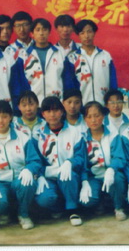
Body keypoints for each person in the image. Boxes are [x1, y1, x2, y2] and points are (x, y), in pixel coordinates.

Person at [0, 101, 41, 230]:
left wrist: (29, 169)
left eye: (4, 116)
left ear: (11, 117)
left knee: (28, 183)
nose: (1, 121)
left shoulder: (22, 138)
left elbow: (35, 160)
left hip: (19, 179)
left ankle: (23, 214)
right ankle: (4, 211)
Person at [34, 96, 85, 226]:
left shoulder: (74, 132)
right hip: (48, 176)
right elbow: (35, 160)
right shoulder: (38, 135)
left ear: (62, 111)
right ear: (43, 114)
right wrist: (40, 175)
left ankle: (73, 210)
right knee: (45, 199)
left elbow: (80, 156)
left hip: (68, 174)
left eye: (56, 110)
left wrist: (70, 162)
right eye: (48, 111)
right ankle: (58, 207)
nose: (52, 115)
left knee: (68, 176)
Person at [78, 102, 127, 221]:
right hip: (94, 177)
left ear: (103, 117)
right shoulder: (83, 138)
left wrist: (111, 169)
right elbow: (83, 163)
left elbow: (119, 157)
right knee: (87, 201)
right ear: (85, 119)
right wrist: (85, 181)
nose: (93, 120)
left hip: (112, 174)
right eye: (89, 117)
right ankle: (100, 201)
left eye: (97, 116)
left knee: (117, 179)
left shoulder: (112, 134)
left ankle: (118, 207)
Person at [64, 19, 117, 106]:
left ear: (94, 33)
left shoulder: (105, 55)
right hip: (82, 105)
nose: (86, 36)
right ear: (78, 35)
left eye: (89, 32)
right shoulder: (72, 58)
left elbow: (113, 81)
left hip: (104, 105)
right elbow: (69, 84)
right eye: (82, 33)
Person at [16, 18, 66, 103]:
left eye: (44, 30)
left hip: (56, 101)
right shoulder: (24, 55)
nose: (41, 33)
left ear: (49, 33)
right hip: (32, 103)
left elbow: (67, 79)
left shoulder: (60, 52)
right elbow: (19, 82)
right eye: (38, 30)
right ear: (32, 34)